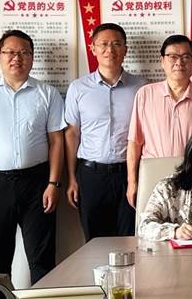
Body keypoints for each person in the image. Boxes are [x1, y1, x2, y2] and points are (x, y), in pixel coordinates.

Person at [0, 30, 65, 297]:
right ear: (0, 56)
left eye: (23, 53)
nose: (16, 58)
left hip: (38, 184)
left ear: (31, 57)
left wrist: (53, 183)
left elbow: (56, 142)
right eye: (10, 52)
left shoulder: (47, 93)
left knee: (42, 262)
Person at [64, 23, 146, 241]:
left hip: (129, 174)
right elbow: (72, 134)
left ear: (125, 49)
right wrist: (71, 178)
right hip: (91, 175)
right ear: (93, 48)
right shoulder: (78, 88)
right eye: (104, 44)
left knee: (130, 239)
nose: (110, 50)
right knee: (94, 242)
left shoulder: (141, 87)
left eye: (117, 44)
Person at [126, 34, 192, 208]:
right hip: (152, 173)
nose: (179, 62)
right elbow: (135, 142)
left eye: (186, 57)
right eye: (172, 56)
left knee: (190, 223)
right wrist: (132, 182)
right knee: (152, 223)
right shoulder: (145, 94)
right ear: (162, 61)